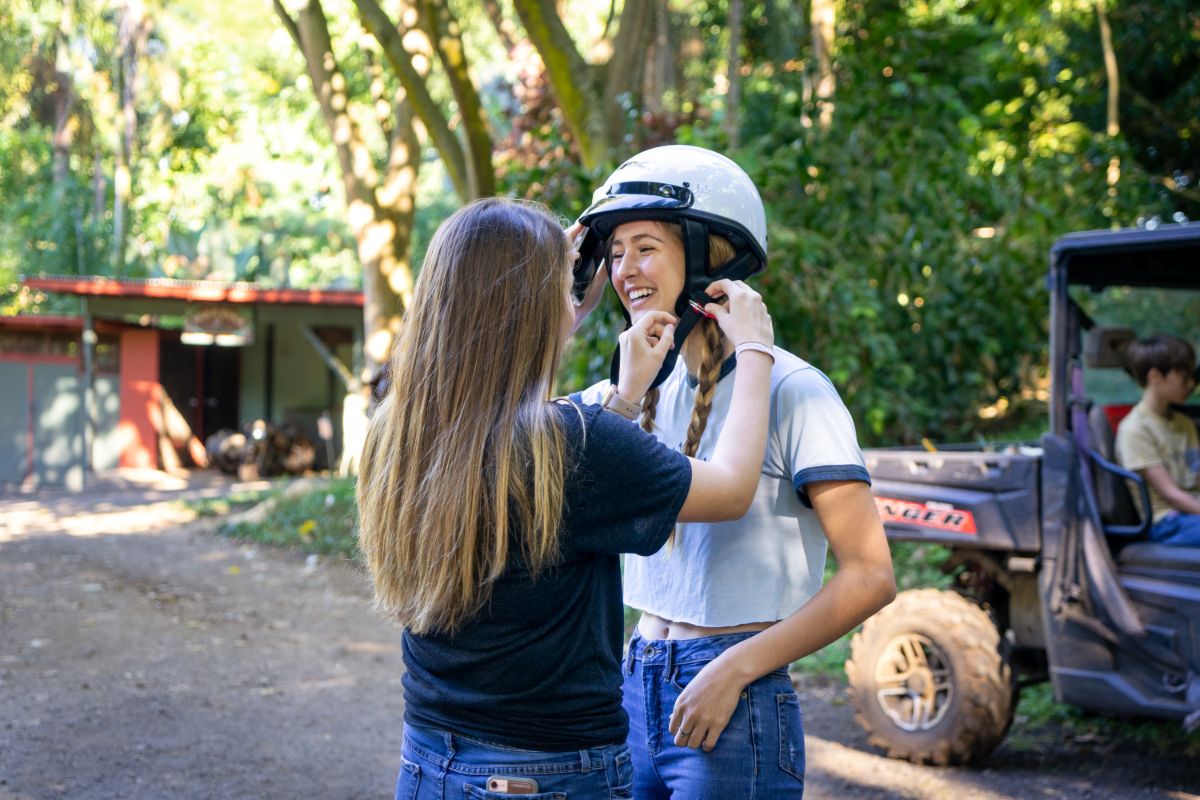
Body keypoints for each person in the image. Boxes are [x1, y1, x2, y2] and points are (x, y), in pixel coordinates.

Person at [355, 196, 777, 800]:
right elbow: (733, 488)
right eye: (561, 286)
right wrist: (756, 349)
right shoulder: (573, 441)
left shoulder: (397, 428)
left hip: (428, 761)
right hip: (547, 775)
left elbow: (551, 491)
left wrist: (624, 396)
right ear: (532, 310)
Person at [571, 145, 897, 798]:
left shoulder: (795, 389)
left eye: (645, 248)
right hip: (633, 684)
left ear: (706, 255)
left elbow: (871, 577)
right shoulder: (632, 387)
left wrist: (733, 670)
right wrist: (567, 298)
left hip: (733, 696)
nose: (624, 270)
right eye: (614, 253)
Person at [1114, 333, 1200, 547]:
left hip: (1192, 514)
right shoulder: (1135, 429)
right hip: (1167, 523)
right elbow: (1171, 494)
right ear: (1155, 377)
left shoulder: (1183, 423)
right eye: (1183, 376)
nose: (1191, 383)